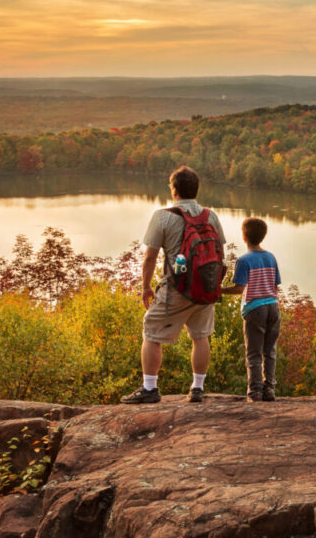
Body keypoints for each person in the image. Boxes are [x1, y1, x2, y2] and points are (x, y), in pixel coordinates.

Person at [120, 166, 225, 404]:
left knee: (151, 330)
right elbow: (220, 252)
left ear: (174, 190)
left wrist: (146, 286)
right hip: (206, 288)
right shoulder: (211, 216)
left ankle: (149, 389)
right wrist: (212, 283)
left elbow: (150, 257)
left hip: (176, 289)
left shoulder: (163, 216)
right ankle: (197, 388)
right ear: (196, 190)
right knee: (201, 336)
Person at [222, 216, 282, 402]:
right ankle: (269, 389)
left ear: (244, 236)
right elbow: (276, 285)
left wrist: (219, 290)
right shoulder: (271, 257)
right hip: (273, 307)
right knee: (270, 350)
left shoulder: (244, 260)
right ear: (263, 236)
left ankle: (254, 391)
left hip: (255, 309)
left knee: (254, 352)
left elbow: (239, 289)